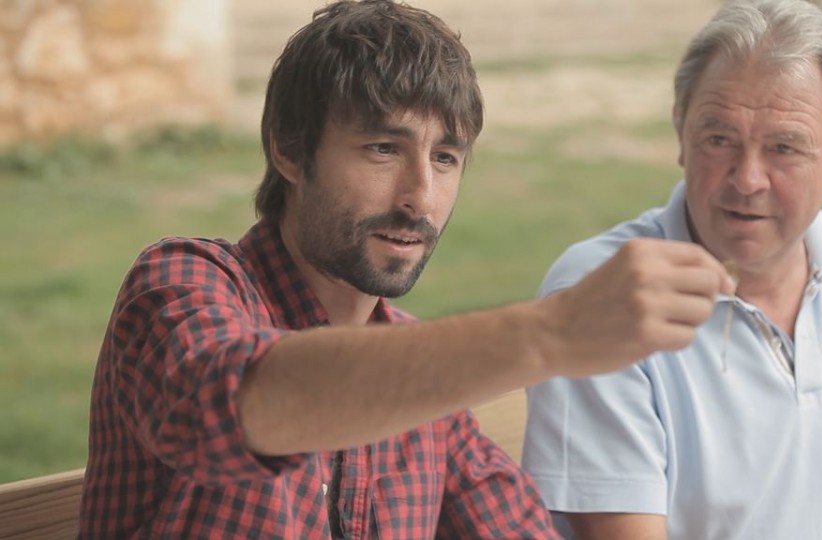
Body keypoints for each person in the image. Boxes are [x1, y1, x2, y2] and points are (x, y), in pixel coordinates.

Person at [77, 0, 736, 537]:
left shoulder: (423, 388)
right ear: (287, 148)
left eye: (446, 158)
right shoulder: (178, 284)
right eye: (383, 148)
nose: (420, 197)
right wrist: (554, 333)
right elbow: (250, 404)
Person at [521, 0, 822, 538]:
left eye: (783, 147)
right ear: (682, 132)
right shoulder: (605, 295)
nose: (748, 178)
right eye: (720, 139)